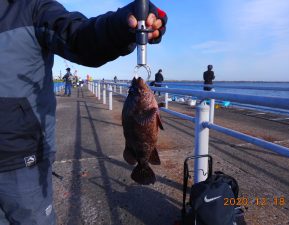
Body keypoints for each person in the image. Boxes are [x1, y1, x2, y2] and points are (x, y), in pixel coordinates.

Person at [0, 1, 167, 224]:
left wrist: (121, 26)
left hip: (19, 158)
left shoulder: (31, 7)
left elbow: (80, 37)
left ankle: (144, 161)